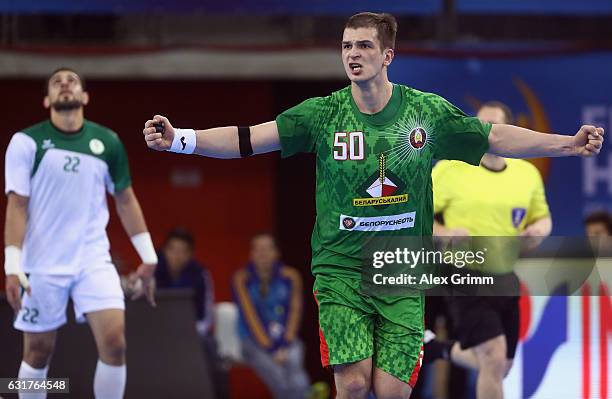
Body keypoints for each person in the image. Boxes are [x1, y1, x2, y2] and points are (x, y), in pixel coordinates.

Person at [142, 12, 604, 398]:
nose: (352, 54)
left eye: (364, 45)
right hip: (340, 266)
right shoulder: (322, 114)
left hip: (401, 264)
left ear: (387, 56)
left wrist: (566, 144)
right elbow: (248, 138)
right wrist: (180, 140)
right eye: (346, 46)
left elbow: (496, 136)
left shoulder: (425, 112)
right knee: (354, 382)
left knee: (390, 390)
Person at [4, 67, 157, 399]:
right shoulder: (25, 142)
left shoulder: (108, 142)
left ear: (85, 96)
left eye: (72, 81)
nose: (65, 85)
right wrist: (12, 265)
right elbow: (17, 206)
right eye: (57, 83)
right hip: (42, 263)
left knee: (115, 344)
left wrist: (148, 257)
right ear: (47, 99)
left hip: (93, 260)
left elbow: (126, 200)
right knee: (37, 352)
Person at [426, 102, 552, 399]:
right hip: (462, 272)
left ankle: (438, 348)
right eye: (480, 126)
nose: (486, 134)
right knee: (493, 358)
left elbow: (543, 218)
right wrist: (443, 232)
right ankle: (438, 348)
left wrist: (539, 231)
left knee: (501, 366)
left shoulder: (527, 174)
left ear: (510, 132)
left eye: (494, 127)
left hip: (504, 275)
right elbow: (418, 219)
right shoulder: (450, 169)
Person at [233, 233, 309, 399]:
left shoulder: (291, 276)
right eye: (258, 249)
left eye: (268, 248)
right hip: (252, 340)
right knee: (278, 374)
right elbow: (250, 318)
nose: (263, 253)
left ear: (277, 252)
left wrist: (285, 343)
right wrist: (272, 348)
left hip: (285, 338)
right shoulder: (241, 279)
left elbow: (295, 313)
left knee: (296, 364)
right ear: (251, 253)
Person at [154, 227, 228, 399]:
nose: (177, 256)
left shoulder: (200, 274)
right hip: (159, 333)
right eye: (172, 250)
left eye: (182, 251)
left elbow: (207, 316)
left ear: (190, 254)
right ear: (165, 251)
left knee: (210, 347)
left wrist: (188, 332)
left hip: (194, 333)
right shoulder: (151, 271)